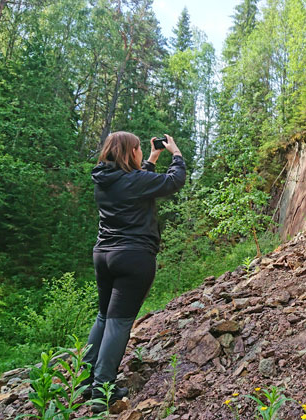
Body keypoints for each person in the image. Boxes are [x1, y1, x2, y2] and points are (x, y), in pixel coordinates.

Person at [82, 131, 186, 412]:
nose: (142, 152)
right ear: (130, 153)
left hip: (103, 255)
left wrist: (153, 158)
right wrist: (176, 154)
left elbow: (138, 184)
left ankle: (84, 381)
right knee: (118, 323)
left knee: (104, 317)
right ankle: (102, 391)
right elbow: (174, 181)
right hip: (133, 256)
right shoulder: (133, 181)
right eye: (139, 149)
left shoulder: (105, 179)